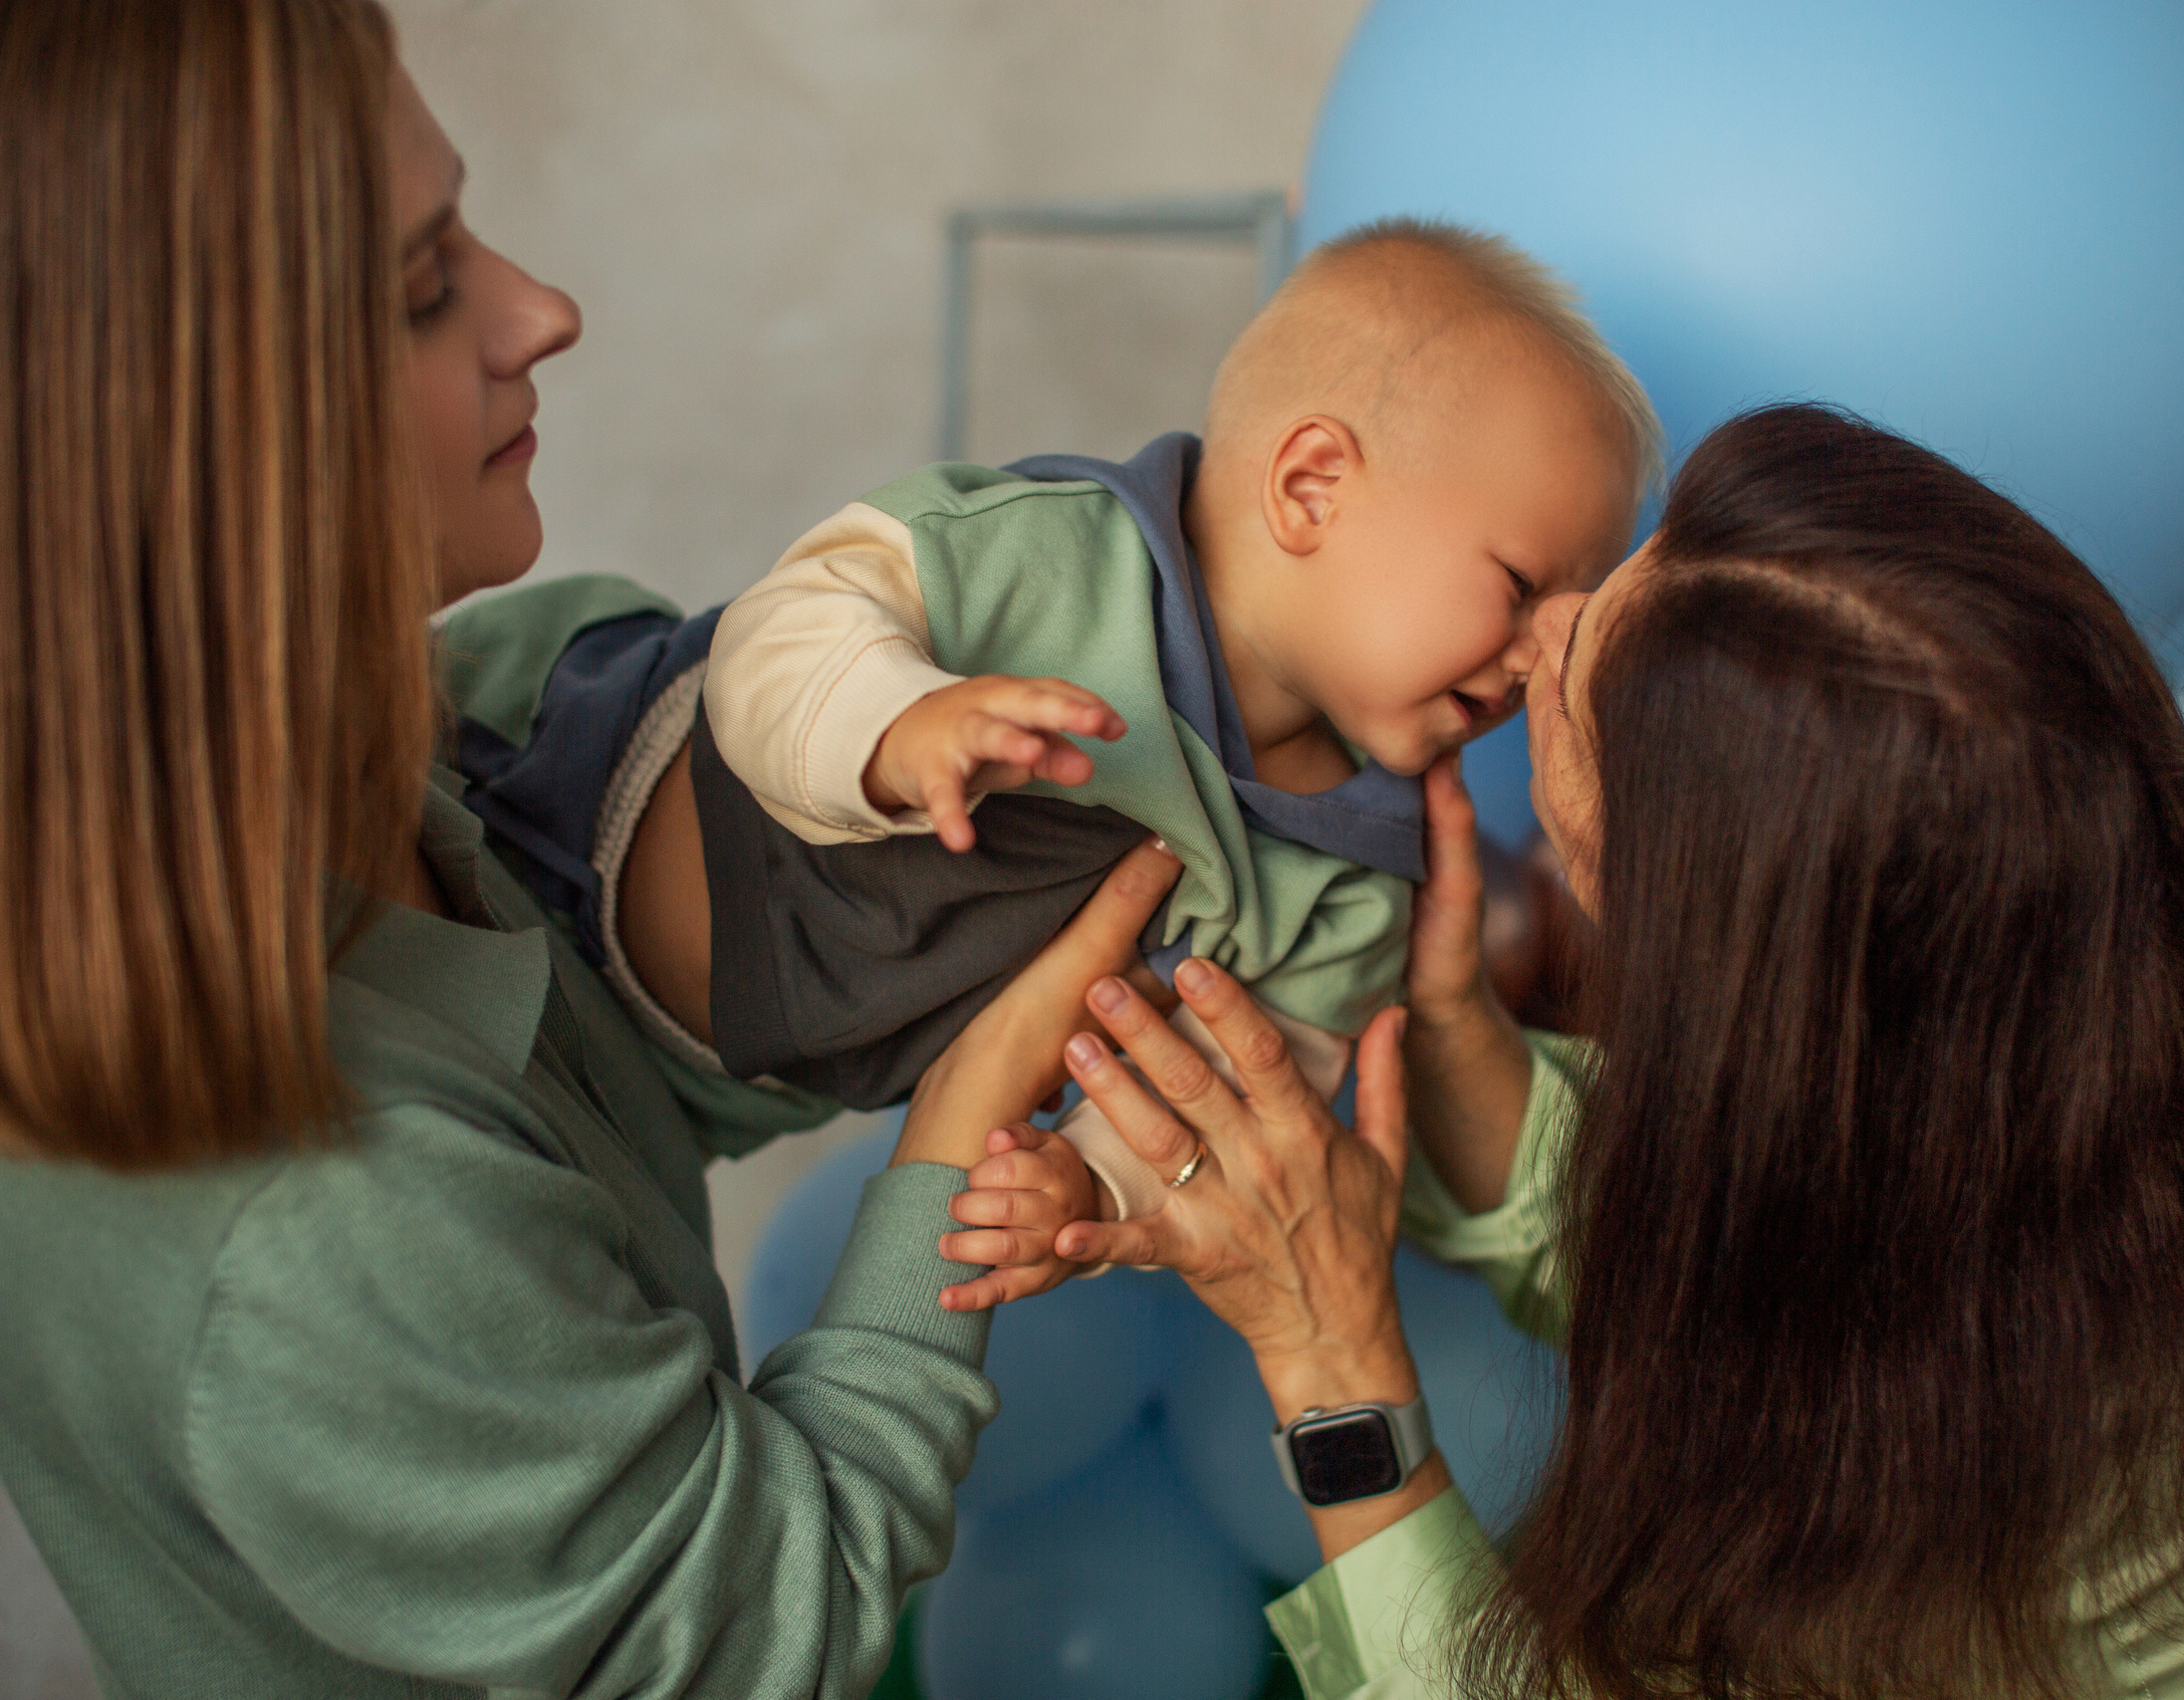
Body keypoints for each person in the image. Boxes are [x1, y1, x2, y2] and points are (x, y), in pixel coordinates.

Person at [0, 4, 1180, 1694]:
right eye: (425, 290)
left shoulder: (421, 773)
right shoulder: (303, 1240)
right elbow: (766, 1612)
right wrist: (966, 1123)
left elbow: (612, 1084)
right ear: (195, 461)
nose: (540, 313)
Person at [1041, 406, 2184, 1698]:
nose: (1537, 631)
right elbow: (1827, 1177)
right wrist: (1457, 1049)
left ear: (1717, 939)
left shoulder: (1959, 1487)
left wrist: (1331, 1358)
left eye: (1578, 699)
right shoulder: (2089, 858)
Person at [466, 221, 1654, 1282]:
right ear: (1310, 487)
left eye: (1574, 611)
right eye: (1519, 585)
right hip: (563, 791)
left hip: (684, 1073)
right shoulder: (1050, 558)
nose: (1542, 659)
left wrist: (1097, 1183)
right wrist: (891, 727)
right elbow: (793, 626)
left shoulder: (1354, 886)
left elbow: (1235, 1079)